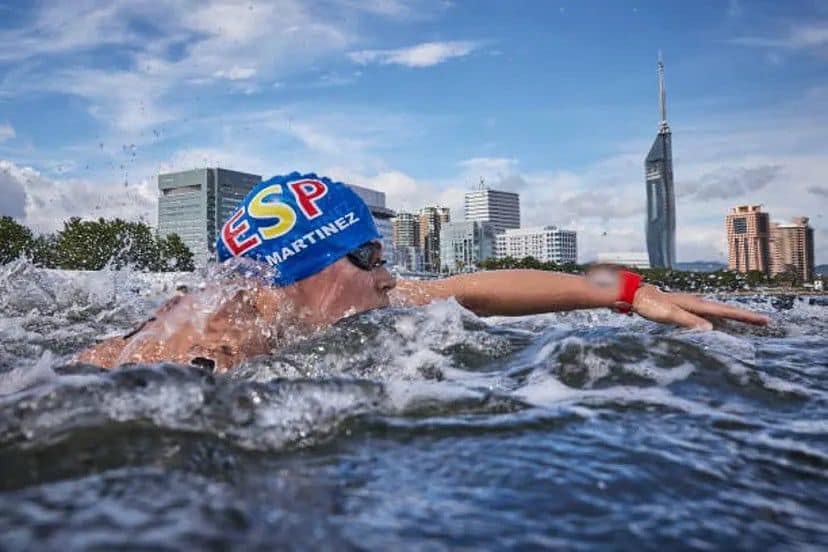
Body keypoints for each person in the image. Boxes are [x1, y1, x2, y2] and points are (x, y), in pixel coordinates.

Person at [73, 172, 769, 373]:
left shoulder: (318, 301)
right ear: (301, 268)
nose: (388, 277)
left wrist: (628, 291)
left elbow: (474, 291)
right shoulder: (212, 346)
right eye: (370, 258)